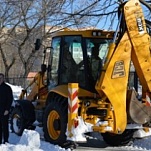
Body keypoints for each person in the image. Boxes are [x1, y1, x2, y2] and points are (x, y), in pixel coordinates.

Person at [0, 73, 13, 144]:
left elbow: (10, 99)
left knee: (4, 127)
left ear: (3, 79)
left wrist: (7, 109)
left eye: (1, 78)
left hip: (4, 110)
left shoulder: (7, 88)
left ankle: (5, 141)